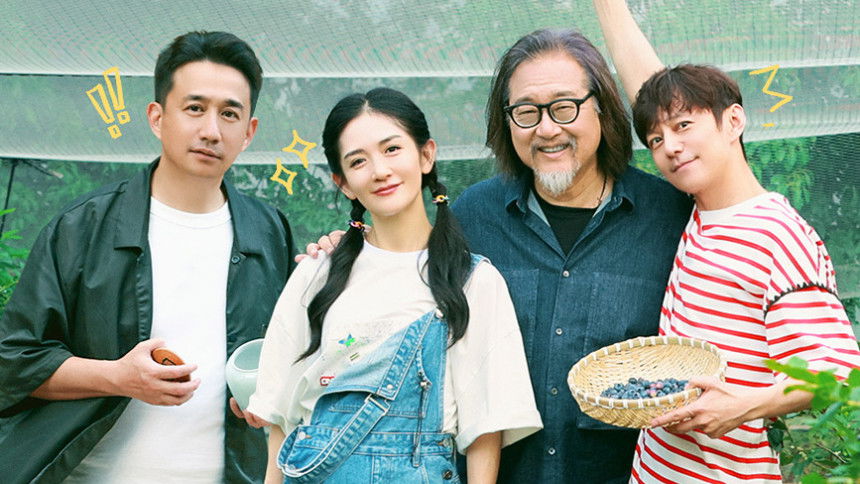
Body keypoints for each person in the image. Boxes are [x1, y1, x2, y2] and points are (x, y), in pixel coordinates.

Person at [0, 31, 295, 483]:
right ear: (157, 117)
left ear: (249, 132)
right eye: (194, 108)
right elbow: (13, 361)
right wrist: (117, 376)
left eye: (229, 113)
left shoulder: (270, 231)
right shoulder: (83, 227)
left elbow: (295, 357)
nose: (211, 131)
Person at [246, 87, 542, 484]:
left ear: (426, 155)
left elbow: (485, 429)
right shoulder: (316, 274)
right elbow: (281, 420)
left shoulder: (473, 281)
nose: (379, 170)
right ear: (343, 182)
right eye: (358, 161)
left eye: (391, 149)